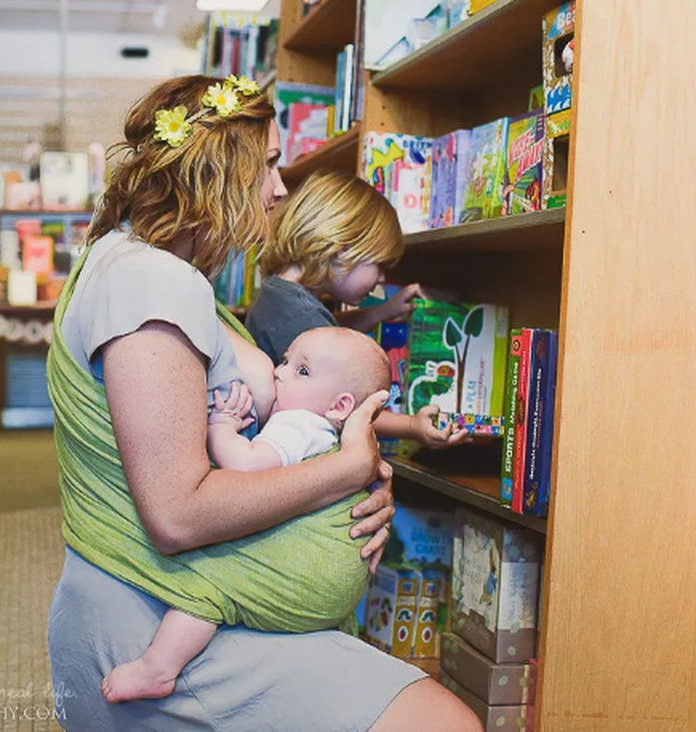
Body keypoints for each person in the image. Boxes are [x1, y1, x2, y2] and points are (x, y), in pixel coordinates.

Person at [47, 74, 482, 732]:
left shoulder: (143, 266)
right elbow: (177, 513)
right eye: (270, 163)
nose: (280, 189)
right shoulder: (149, 284)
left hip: (181, 598)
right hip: (150, 616)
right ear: (220, 168)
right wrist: (344, 470)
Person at [101, 327, 393, 704]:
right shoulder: (331, 434)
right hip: (342, 584)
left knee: (208, 584)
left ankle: (157, 669)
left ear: (339, 407)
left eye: (301, 371)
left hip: (315, 573)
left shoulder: (300, 423)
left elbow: (247, 465)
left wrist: (222, 427)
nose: (280, 371)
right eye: (286, 360)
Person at [247, 169, 471, 449]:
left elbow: (329, 334)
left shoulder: (282, 296)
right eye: (379, 265)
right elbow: (345, 409)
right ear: (341, 248)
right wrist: (412, 426)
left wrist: (380, 312)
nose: (380, 278)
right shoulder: (298, 314)